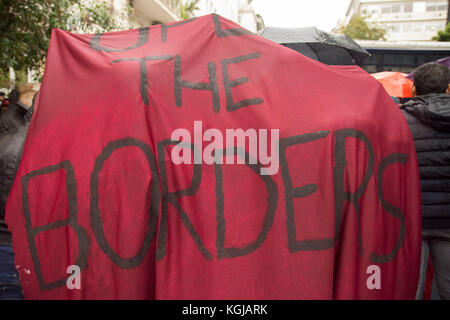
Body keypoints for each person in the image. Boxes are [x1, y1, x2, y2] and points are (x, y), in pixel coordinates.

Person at [401, 62, 450, 300]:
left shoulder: (399, 120)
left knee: (411, 285)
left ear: (413, 90)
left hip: (411, 217)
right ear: (448, 89)